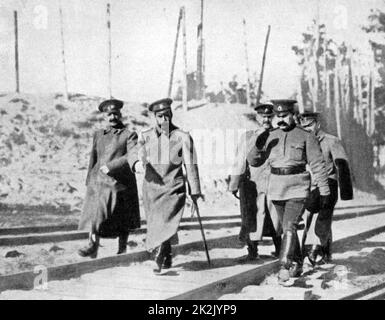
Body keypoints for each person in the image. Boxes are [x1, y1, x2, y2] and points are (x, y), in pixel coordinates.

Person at [246, 99, 331, 284]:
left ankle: (284, 265)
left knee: (289, 226)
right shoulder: (270, 135)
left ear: (293, 115)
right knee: (286, 228)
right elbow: (254, 161)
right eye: (279, 116)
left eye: (285, 116)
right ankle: (298, 263)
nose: (281, 120)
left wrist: (324, 192)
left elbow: (317, 165)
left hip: (297, 187)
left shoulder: (306, 136)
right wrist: (259, 144)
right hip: (276, 188)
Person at [137, 98, 202, 273]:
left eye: (167, 116)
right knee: (157, 224)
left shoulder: (182, 137)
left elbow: (191, 166)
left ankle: (158, 257)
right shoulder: (145, 136)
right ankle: (167, 256)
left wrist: (195, 191)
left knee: (164, 221)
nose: (164, 120)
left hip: (173, 188)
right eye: (160, 116)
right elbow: (138, 154)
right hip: (151, 189)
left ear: (171, 115)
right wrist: (139, 161)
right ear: (154, 117)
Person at [78, 99, 141, 258]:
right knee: (95, 212)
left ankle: (122, 248)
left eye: (115, 114)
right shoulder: (98, 135)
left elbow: (131, 155)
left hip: (120, 182)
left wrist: (111, 167)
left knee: (122, 217)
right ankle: (93, 244)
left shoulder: (129, 135)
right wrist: (89, 180)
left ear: (120, 115)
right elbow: (93, 158)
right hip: (98, 181)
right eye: (109, 114)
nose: (112, 117)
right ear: (104, 116)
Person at [299, 108, 353, 265]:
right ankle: (312, 251)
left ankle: (316, 250)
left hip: (328, 184)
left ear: (317, 124)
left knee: (322, 217)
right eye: (304, 127)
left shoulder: (331, 141)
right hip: (307, 186)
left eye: (309, 126)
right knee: (306, 218)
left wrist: (345, 192)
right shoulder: (301, 141)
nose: (307, 129)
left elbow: (341, 164)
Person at [229, 102, 281, 261]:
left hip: (274, 184)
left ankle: (280, 250)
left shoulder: (279, 135)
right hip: (253, 185)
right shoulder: (247, 136)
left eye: (269, 116)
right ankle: (252, 251)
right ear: (257, 117)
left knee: (276, 218)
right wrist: (234, 184)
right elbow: (239, 162)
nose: (266, 119)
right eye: (262, 116)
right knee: (251, 218)